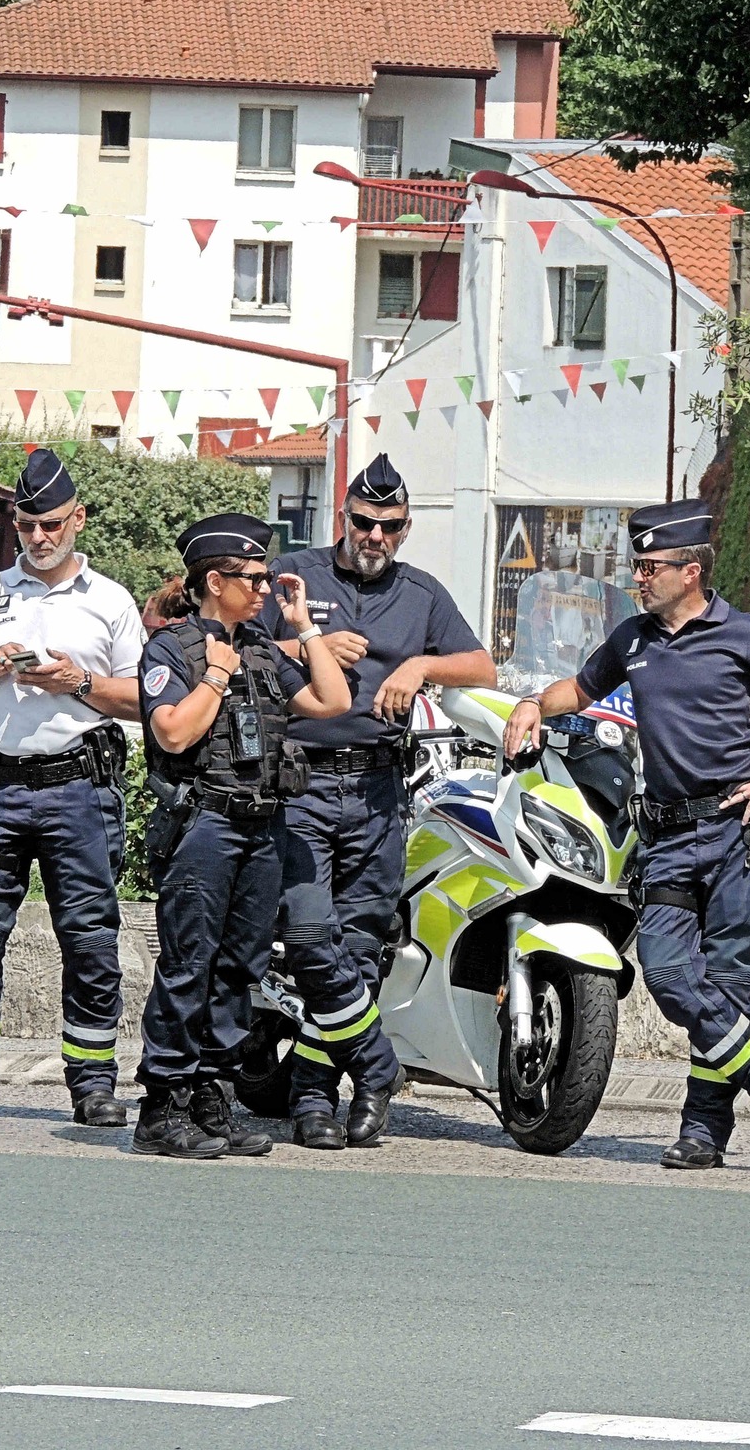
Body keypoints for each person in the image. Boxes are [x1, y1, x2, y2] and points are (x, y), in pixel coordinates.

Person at [503, 500, 750, 1171]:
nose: (640, 577)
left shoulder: (742, 634)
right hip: (665, 834)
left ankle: (702, 1131)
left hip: (735, 829)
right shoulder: (633, 638)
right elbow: (577, 688)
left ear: (691, 571)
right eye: (638, 566)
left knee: (727, 984)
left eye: (651, 567)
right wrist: (529, 704)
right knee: (664, 971)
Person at [258, 454, 495, 1149]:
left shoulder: (421, 594)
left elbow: (481, 665)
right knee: (309, 935)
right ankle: (374, 1064)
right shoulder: (298, 573)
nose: (375, 537)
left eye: (390, 527)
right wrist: (310, 642)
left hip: (378, 786)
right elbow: (238, 646)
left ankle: (315, 1093)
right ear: (344, 517)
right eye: (364, 523)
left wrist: (422, 664)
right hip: (300, 779)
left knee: (361, 943)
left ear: (405, 527)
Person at [0, 449, 146, 1127]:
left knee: (90, 941)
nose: (39, 538)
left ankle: (93, 1084)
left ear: (78, 520)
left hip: (80, 785)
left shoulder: (110, 601)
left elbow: (143, 700)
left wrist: (78, 683)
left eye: (51, 525)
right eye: (27, 526)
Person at [132, 515, 351, 1157]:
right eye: (250, 578)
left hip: (263, 826)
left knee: (240, 969)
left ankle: (211, 1098)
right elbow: (173, 732)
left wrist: (305, 626)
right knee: (188, 966)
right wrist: (215, 676)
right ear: (213, 580)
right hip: (204, 825)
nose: (262, 589)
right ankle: (162, 1108)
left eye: (263, 577)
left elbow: (332, 702)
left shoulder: (260, 647)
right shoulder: (172, 649)